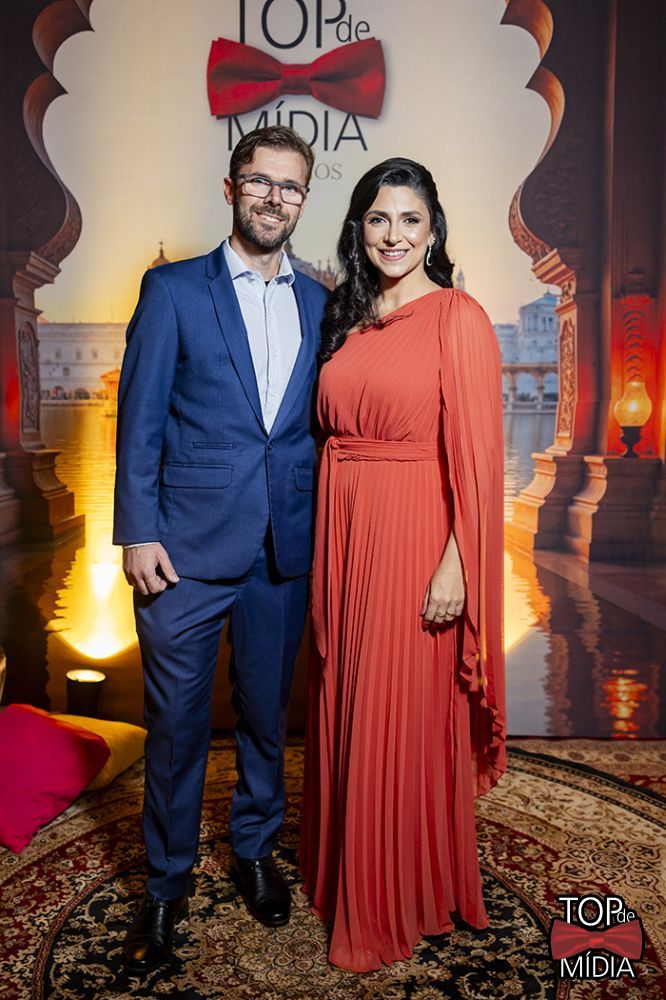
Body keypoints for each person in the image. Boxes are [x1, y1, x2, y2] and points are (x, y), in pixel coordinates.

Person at [113, 125, 328, 974]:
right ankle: (166, 889)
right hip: (182, 552)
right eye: (261, 181)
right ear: (232, 187)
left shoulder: (320, 302)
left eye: (291, 186)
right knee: (175, 728)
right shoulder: (172, 289)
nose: (275, 198)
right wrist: (137, 530)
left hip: (282, 547)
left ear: (303, 200)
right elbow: (140, 419)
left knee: (268, 719)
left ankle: (254, 851)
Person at [300, 157, 506, 971]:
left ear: (433, 230)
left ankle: (395, 895)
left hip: (415, 533)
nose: (394, 235)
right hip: (344, 530)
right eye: (379, 219)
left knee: (399, 709)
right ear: (359, 229)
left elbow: (477, 460)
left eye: (410, 220)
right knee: (345, 697)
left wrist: (458, 562)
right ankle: (347, 875)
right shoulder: (348, 318)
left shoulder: (459, 316)